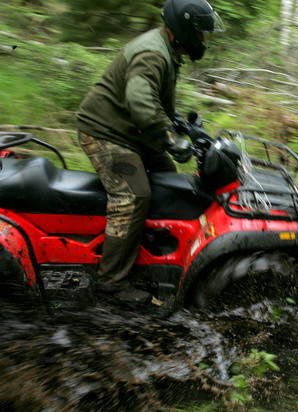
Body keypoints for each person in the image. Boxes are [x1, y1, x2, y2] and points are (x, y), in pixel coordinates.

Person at [75, 0, 225, 303]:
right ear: (183, 29)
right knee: (133, 197)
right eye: (200, 33)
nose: (203, 41)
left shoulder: (165, 50)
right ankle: (111, 282)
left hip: (131, 133)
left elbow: (155, 100)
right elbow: (141, 102)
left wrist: (180, 124)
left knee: (168, 181)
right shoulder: (152, 53)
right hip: (105, 133)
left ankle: (145, 251)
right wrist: (170, 140)